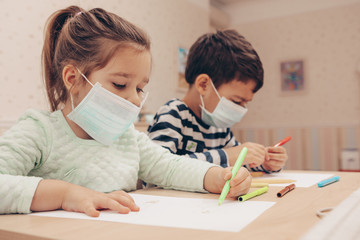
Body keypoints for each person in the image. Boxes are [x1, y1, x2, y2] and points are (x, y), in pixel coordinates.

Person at [0, 6, 252, 217]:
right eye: (120, 84)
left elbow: (171, 167)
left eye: (140, 89)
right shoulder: (40, 131)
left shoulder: (127, 138)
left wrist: (218, 177)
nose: (134, 99)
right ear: (73, 78)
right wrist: (66, 194)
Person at [147, 30, 288, 173]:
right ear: (203, 85)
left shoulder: (219, 126)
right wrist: (228, 155)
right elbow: (157, 168)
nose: (241, 109)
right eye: (237, 101)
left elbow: (238, 162)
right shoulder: (173, 115)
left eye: (246, 103)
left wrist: (264, 163)